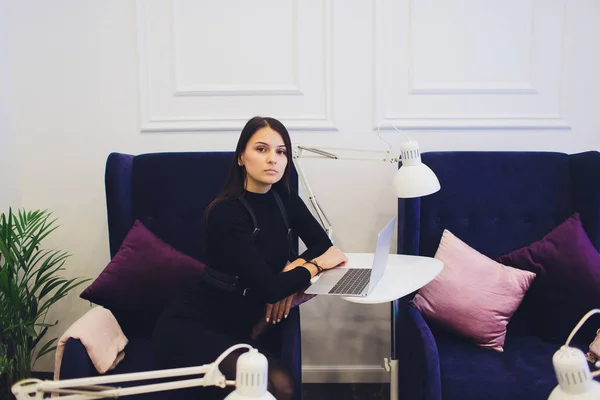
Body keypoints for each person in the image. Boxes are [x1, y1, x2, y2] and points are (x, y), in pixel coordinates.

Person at [152, 116, 348, 400]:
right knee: (279, 386)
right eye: (261, 149)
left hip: (244, 323)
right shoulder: (226, 213)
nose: (273, 159)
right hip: (195, 326)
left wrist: (296, 267)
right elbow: (271, 288)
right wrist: (314, 266)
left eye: (281, 152)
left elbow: (322, 244)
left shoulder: (285, 199)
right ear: (241, 157)